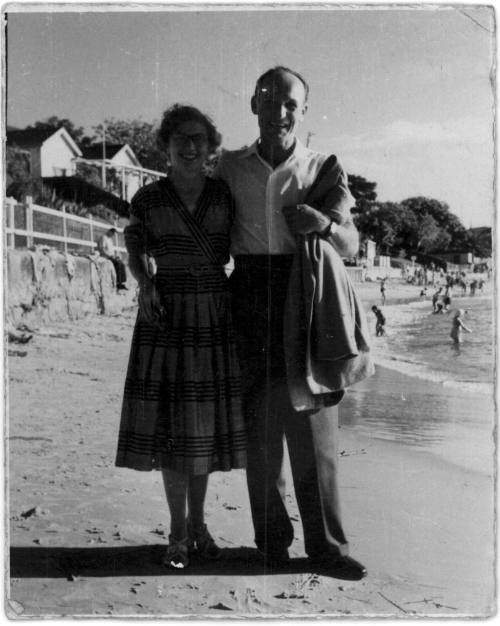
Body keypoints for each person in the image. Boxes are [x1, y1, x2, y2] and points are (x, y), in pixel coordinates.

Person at [215, 66, 366, 578]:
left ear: (303, 110)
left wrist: (324, 224)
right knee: (260, 428)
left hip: (307, 295)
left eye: (289, 103)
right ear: (252, 104)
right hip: (250, 290)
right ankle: (270, 545)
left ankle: (327, 548)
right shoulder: (227, 166)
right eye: (267, 99)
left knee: (315, 426)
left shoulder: (323, 167)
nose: (278, 111)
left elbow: (352, 245)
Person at [115, 105, 246, 569]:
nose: (190, 147)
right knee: (174, 429)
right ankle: (176, 531)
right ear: (166, 146)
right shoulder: (149, 199)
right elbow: (133, 243)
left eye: (198, 139)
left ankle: (199, 526)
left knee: (201, 430)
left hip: (213, 311)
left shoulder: (225, 196)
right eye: (180, 139)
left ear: (211, 147)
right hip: (166, 312)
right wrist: (145, 282)